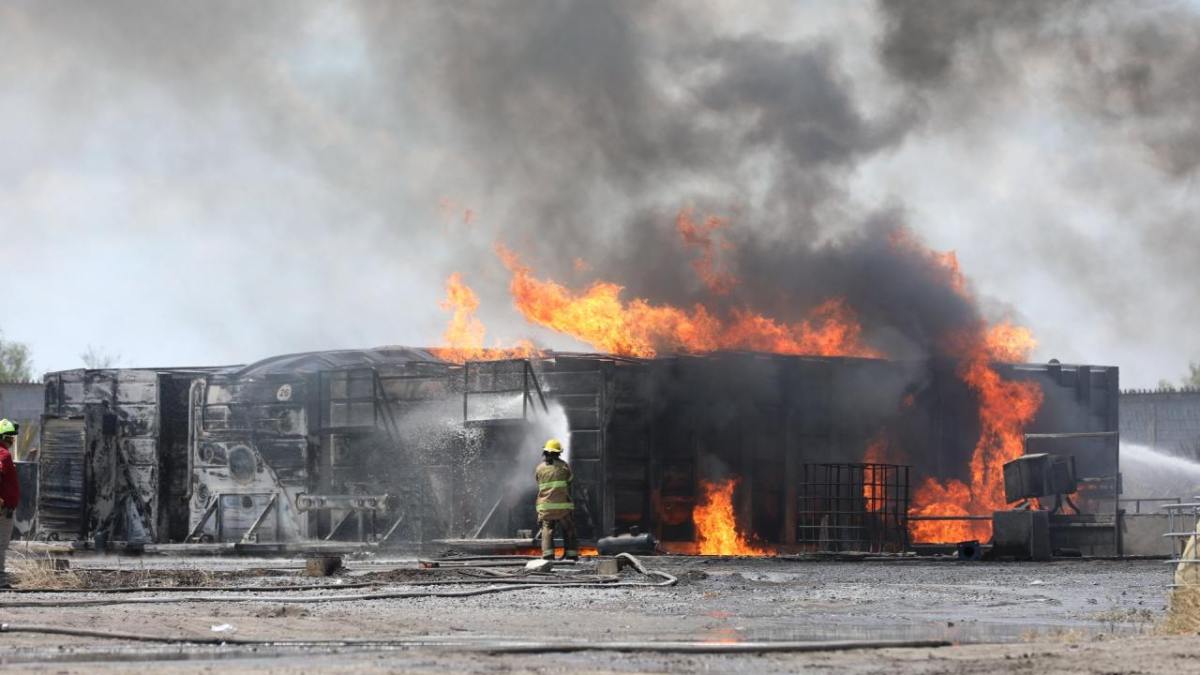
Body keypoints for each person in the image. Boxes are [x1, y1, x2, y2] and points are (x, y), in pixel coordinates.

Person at [534, 438, 578, 561]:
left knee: (547, 530)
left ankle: (548, 555)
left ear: (546, 452)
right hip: (563, 507)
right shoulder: (564, 466)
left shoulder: (539, 468)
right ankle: (571, 555)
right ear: (558, 453)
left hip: (545, 506)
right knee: (569, 528)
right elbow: (570, 480)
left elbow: (538, 481)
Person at [0, 419, 20, 588]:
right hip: (3, 509)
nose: (12, 442)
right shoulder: (3, 455)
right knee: (1, 543)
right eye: (10, 438)